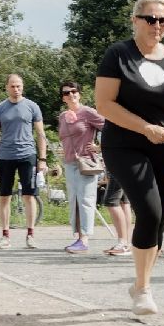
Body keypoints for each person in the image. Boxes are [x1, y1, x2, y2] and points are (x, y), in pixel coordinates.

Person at [95, 0, 164, 317]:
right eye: (151, 19)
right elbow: (104, 104)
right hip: (124, 145)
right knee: (150, 210)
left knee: (159, 214)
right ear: (135, 20)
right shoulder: (118, 54)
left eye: (163, 20)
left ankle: (141, 280)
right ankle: (143, 289)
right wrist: (144, 128)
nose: (158, 25)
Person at [0, 73, 48, 250]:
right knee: (4, 196)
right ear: (7, 87)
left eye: (19, 86)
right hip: (6, 156)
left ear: (23, 87)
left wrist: (42, 160)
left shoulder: (32, 106)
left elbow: (41, 134)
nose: (16, 89)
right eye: (13, 86)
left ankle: (30, 235)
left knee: (29, 196)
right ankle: (5, 236)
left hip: (27, 156)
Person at [56, 80, 105, 254]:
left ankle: (84, 240)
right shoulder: (63, 116)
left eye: (73, 91)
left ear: (79, 93)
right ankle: (78, 237)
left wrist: (99, 147)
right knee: (74, 201)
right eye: (66, 93)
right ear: (63, 98)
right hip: (69, 163)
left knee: (86, 200)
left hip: (86, 163)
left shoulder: (88, 112)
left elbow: (109, 127)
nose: (70, 95)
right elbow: (64, 139)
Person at [102, 172, 132, 256]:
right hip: (127, 168)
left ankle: (123, 243)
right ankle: (127, 243)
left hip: (118, 168)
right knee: (124, 202)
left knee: (111, 201)